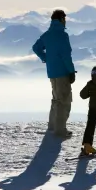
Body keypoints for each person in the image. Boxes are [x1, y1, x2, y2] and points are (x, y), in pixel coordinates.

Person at [32, 9, 76, 138]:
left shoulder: (47, 34)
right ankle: (60, 130)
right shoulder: (62, 35)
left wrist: (46, 58)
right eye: (65, 19)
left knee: (56, 99)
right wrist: (71, 71)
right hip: (62, 72)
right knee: (64, 101)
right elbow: (66, 55)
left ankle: (52, 126)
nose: (65, 22)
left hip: (52, 72)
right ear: (62, 19)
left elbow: (36, 48)